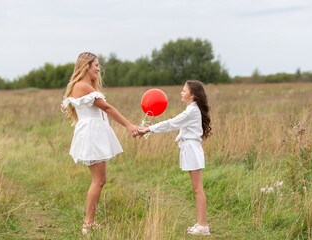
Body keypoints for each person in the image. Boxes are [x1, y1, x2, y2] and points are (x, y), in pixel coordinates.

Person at [61, 52, 139, 235]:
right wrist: (129, 125)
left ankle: (90, 222)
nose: (98, 68)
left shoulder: (83, 86)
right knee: (99, 180)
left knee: (99, 179)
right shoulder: (84, 86)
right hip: (92, 134)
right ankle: (88, 224)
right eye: (95, 65)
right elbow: (107, 107)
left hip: (91, 132)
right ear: (86, 66)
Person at [138, 80, 212, 235]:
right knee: (196, 188)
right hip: (189, 148)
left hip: (192, 148)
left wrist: (148, 129)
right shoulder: (192, 109)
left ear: (192, 95)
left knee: (198, 189)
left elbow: (172, 123)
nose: (181, 93)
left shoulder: (192, 111)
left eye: (184, 90)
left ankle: (203, 226)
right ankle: (201, 224)